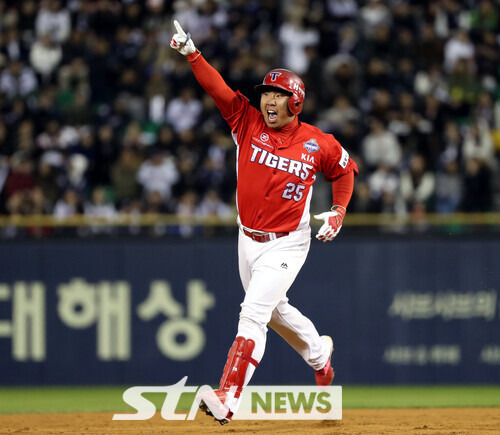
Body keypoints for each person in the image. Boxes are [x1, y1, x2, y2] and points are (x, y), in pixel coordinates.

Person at [170, 20, 359, 424]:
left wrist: (340, 211)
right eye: (266, 93)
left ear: (296, 102)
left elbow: (345, 171)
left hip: (288, 241)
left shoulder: (317, 141)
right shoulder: (247, 122)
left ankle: (228, 397)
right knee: (274, 311)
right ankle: (320, 355)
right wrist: (192, 54)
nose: (269, 100)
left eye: (279, 94)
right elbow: (219, 89)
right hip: (248, 238)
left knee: (253, 313)